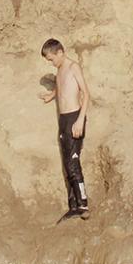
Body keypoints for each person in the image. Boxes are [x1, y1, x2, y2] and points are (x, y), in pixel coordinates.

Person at [39, 39, 90, 221]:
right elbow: (61, 86)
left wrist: (80, 120)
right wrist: (51, 95)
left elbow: (86, 94)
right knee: (67, 163)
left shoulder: (73, 67)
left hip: (74, 118)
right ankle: (73, 205)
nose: (51, 63)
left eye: (51, 59)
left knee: (73, 162)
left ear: (60, 52)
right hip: (63, 120)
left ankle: (83, 205)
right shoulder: (60, 70)